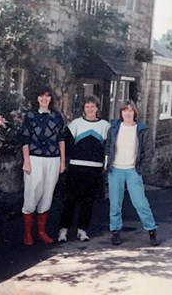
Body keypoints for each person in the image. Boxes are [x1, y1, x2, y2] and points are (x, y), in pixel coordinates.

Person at [105, 100, 160, 246]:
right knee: (115, 204)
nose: (127, 113)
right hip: (115, 170)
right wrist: (107, 164)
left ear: (135, 112)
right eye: (124, 110)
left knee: (140, 203)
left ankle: (151, 230)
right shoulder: (114, 128)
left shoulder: (142, 130)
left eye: (130, 110)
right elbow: (108, 147)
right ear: (121, 113)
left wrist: (141, 168)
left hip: (132, 170)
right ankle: (115, 231)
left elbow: (148, 151)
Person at [57, 95, 110, 243]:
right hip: (76, 167)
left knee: (88, 201)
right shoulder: (75, 124)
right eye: (87, 106)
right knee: (70, 200)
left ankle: (82, 230)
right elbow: (66, 143)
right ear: (84, 109)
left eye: (93, 106)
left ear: (97, 108)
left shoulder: (105, 126)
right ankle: (64, 230)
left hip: (95, 169)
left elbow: (108, 147)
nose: (90, 109)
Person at [18, 86, 66, 246]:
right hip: (34, 158)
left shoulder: (57, 116)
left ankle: (41, 232)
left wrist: (62, 161)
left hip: (53, 159)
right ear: (37, 98)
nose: (44, 99)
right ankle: (27, 234)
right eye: (41, 96)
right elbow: (25, 139)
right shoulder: (30, 116)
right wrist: (26, 161)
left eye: (47, 96)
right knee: (32, 193)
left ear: (51, 99)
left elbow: (61, 139)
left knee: (47, 194)